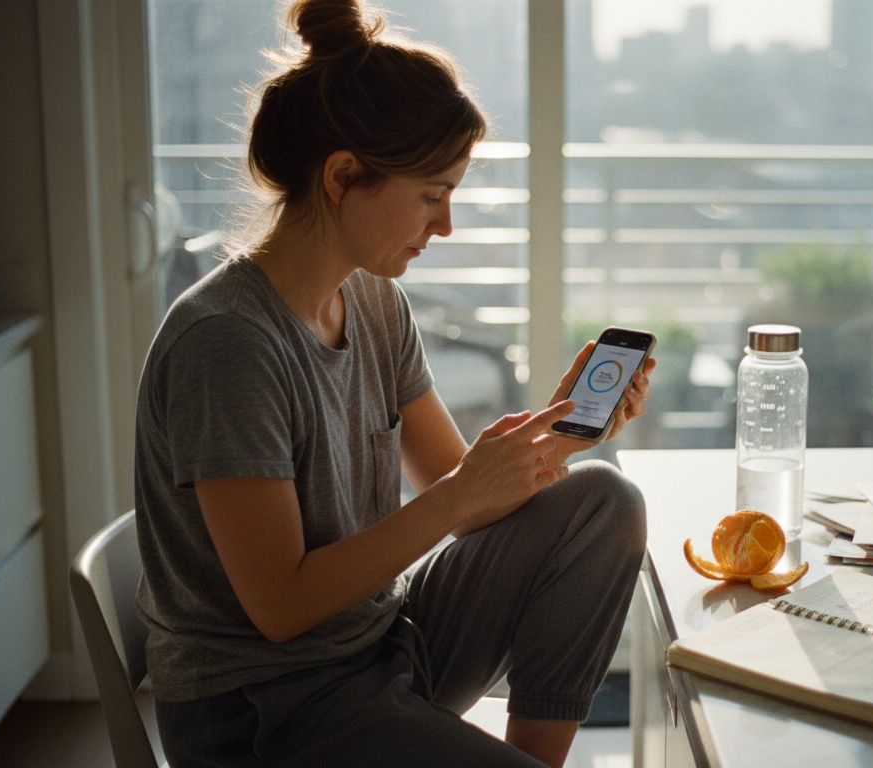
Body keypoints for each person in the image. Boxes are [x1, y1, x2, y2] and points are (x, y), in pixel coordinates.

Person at [133, 1, 655, 765]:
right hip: (264, 713)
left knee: (604, 502)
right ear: (345, 176)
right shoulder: (228, 343)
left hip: (375, 649)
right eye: (431, 194)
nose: (444, 226)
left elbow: (458, 491)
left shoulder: (374, 301)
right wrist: (459, 494)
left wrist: (564, 426)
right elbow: (281, 608)